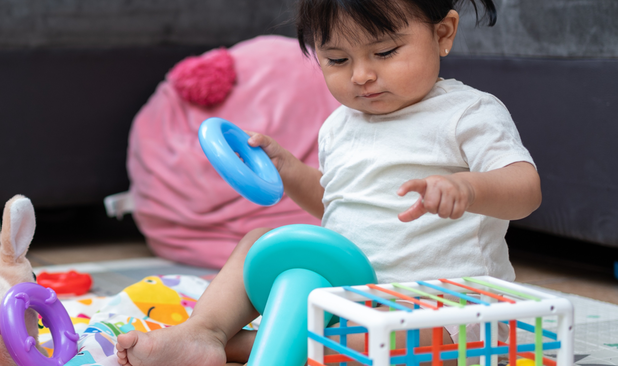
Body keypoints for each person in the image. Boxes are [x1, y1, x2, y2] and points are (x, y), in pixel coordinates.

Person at [115, 0, 542, 365]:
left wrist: (469, 189)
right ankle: (204, 332)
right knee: (261, 242)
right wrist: (287, 168)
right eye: (337, 60)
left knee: (407, 345)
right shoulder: (339, 125)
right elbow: (340, 207)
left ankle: (244, 345)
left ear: (443, 33)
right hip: (346, 293)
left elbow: (525, 190)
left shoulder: (468, 114)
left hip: (445, 312)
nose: (360, 75)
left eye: (386, 52)